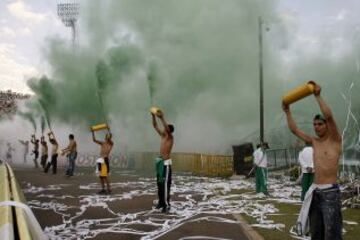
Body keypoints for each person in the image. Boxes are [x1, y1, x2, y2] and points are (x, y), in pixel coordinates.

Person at [283, 82, 342, 239]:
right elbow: (294, 130)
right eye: (315, 124)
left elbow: (329, 116)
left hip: (330, 193)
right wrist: (287, 111)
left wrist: (317, 96)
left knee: (332, 234)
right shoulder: (314, 142)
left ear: (327, 126)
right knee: (316, 233)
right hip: (315, 191)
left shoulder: (335, 140)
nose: (316, 127)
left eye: (320, 124)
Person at [151, 110, 174, 213]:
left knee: (165, 185)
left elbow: (167, 130)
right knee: (159, 184)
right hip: (160, 162)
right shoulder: (163, 136)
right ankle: (161, 202)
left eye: (166, 128)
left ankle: (166, 205)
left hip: (166, 163)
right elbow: (155, 126)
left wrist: (162, 118)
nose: (164, 128)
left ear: (169, 130)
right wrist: (153, 116)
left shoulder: (170, 138)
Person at [92, 129, 114, 194]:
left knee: (105, 175)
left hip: (105, 159)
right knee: (100, 176)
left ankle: (109, 189)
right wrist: (93, 132)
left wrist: (109, 130)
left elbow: (110, 137)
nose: (106, 137)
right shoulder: (103, 143)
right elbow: (94, 140)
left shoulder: (111, 144)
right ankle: (103, 189)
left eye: (107, 136)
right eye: (106, 136)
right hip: (100, 160)